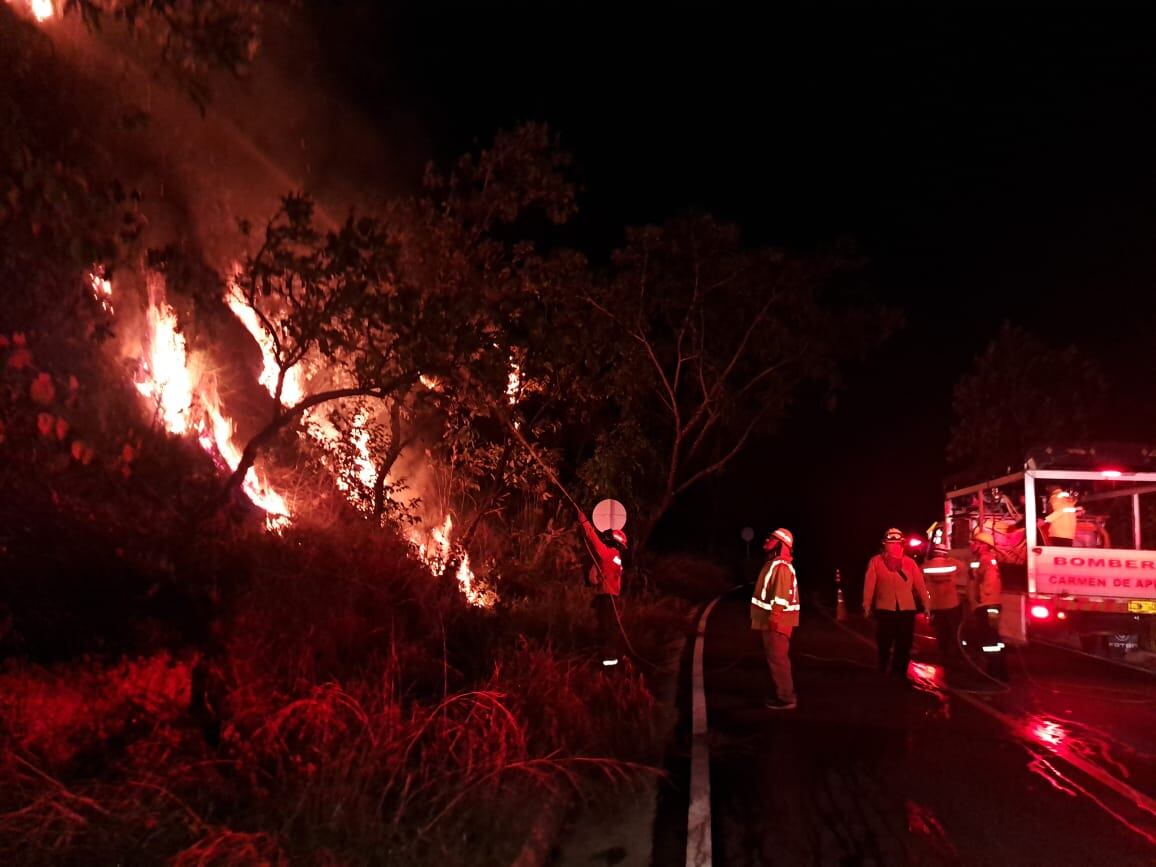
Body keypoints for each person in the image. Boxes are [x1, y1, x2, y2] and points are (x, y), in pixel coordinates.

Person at [862, 528, 933, 682]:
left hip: (906, 609)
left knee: (904, 643)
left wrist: (926, 605)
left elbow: (920, 586)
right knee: (884, 642)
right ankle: (882, 670)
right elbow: (869, 585)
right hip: (885, 608)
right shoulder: (876, 562)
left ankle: (899, 673)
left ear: (902, 545)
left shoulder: (910, 563)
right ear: (884, 544)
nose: (894, 546)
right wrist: (867, 604)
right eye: (890, 543)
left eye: (897, 543)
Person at [750, 528, 800, 710]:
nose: (767, 540)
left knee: (778, 659)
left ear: (781, 544)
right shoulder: (775, 564)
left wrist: (775, 617)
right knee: (776, 658)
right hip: (775, 621)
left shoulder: (780, 566)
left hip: (778, 622)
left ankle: (786, 698)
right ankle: (783, 693)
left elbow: (779, 596)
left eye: (772, 538)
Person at [578, 512, 627, 668]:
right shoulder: (617, 558)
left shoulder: (607, 554)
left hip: (607, 599)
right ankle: (611, 662)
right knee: (610, 630)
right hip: (613, 598)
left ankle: (606, 666)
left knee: (605, 630)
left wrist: (583, 520)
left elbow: (592, 538)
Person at [967, 531, 1008, 679]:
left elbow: (989, 579)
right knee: (990, 637)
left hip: (988, 604)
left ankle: (996, 671)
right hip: (986, 604)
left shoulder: (987, 560)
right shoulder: (982, 559)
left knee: (990, 638)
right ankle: (996, 669)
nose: (972, 545)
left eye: (976, 542)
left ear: (984, 545)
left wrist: (982, 594)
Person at [921, 544, 968, 661]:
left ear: (934, 553)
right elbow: (964, 568)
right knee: (954, 630)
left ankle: (944, 654)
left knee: (941, 631)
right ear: (944, 553)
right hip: (951, 604)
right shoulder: (952, 564)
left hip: (935, 605)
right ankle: (957, 654)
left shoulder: (925, 566)